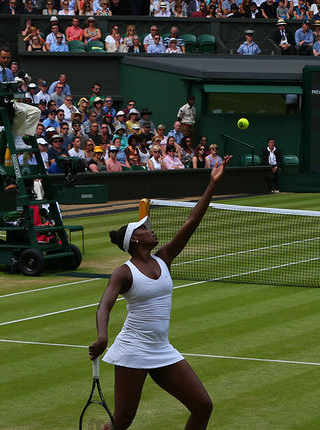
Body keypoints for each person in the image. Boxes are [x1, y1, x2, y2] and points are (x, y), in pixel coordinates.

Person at [89, 154, 231, 430]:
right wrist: (102, 335)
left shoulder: (164, 258)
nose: (152, 231)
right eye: (146, 229)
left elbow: (192, 221)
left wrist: (212, 183)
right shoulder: (124, 272)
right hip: (133, 350)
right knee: (122, 421)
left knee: (203, 406)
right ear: (136, 240)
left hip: (161, 349)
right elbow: (104, 306)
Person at [0, 47, 40, 151]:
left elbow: (11, 89)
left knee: (36, 111)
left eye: (8, 58)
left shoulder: (8, 72)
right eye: (3, 57)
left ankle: (20, 136)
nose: (6, 60)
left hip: (9, 102)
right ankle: (16, 139)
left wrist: (17, 88)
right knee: (22, 111)